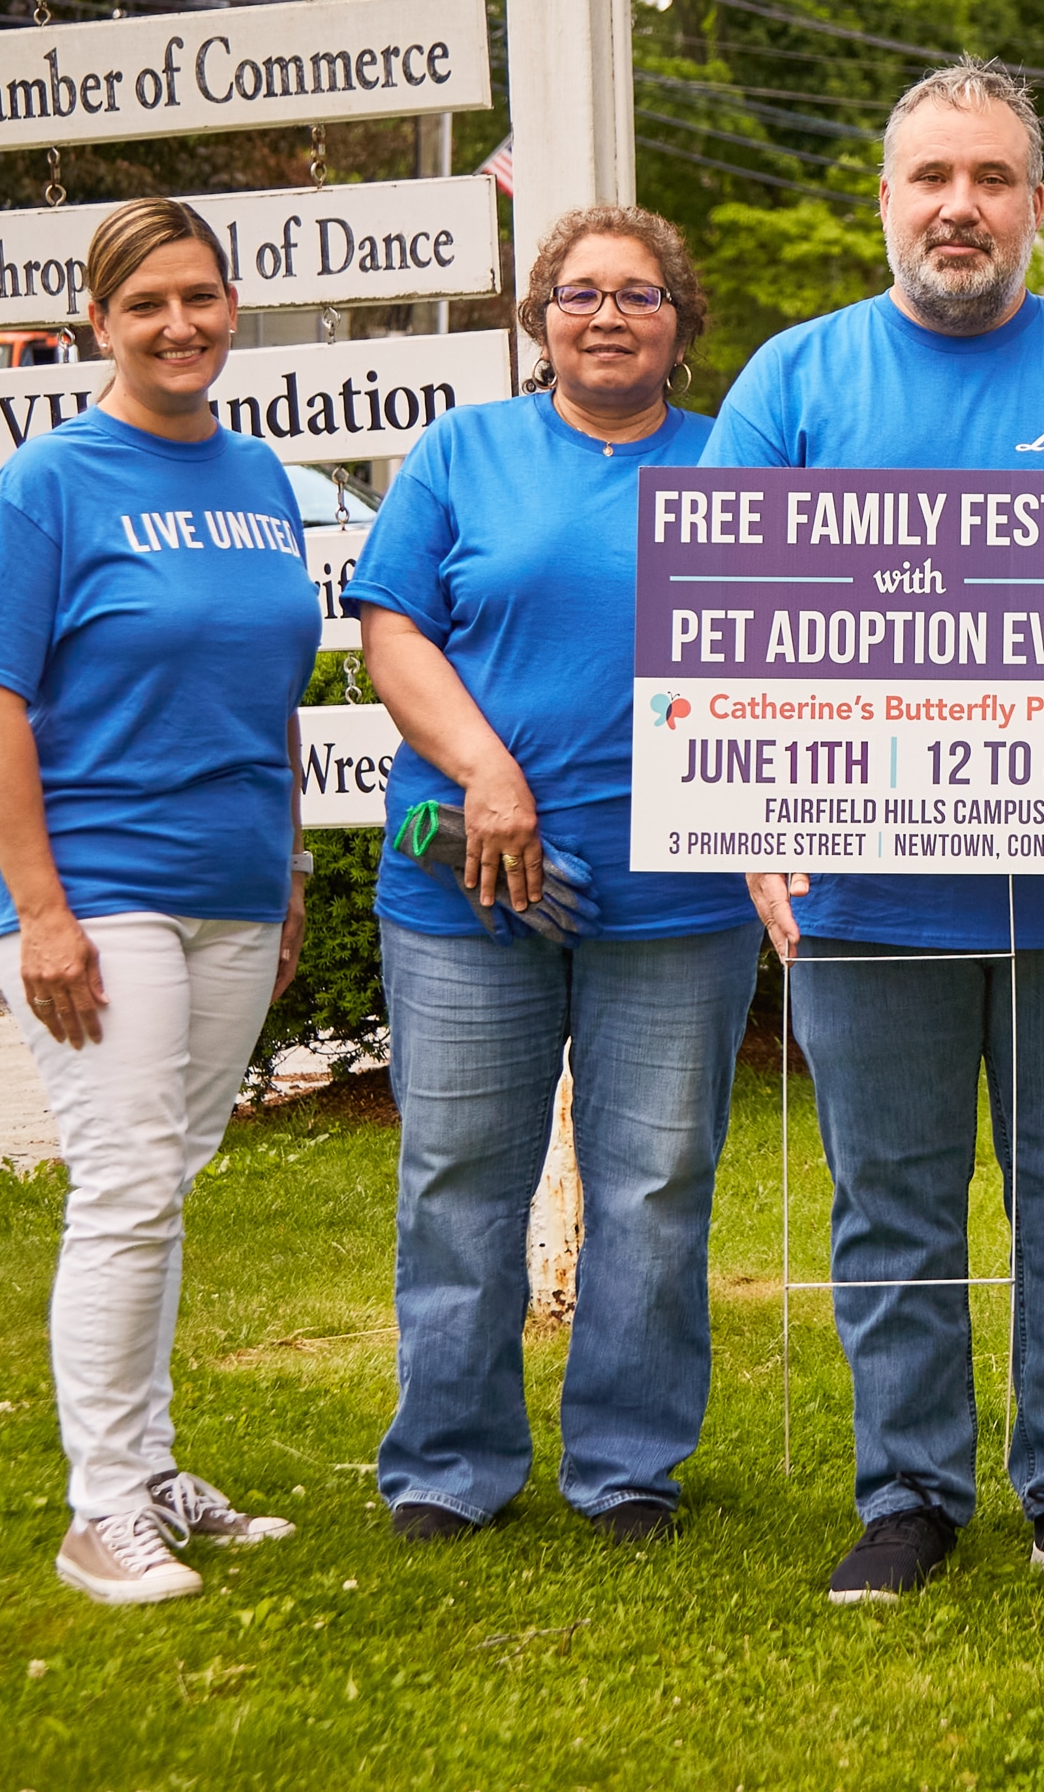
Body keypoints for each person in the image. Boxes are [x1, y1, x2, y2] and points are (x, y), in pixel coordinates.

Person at [705, 60, 1044, 1603]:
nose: (961, 206)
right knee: (893, 1198)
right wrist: (752, 824)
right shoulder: (796, 382)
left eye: (991, 179)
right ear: (884, 200)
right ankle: (911, 1492)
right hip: (866, 883)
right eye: (932, 178)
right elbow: (721, 625)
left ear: (1035, 206)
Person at [354, 207, 762, 1546]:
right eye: (579, 292)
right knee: (463, 1170)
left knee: (653, 1181)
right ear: (539, 321)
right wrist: (486, 770)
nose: (607, 314)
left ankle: (629, 1465)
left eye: (639, 294)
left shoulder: (734, 465)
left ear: (681, 328)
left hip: (679, 894)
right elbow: (394, 629)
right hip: (469, 881)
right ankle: (447, 1465)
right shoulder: (463, 452)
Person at [0, 197, 318, 1604]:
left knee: (166, 1178)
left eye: (203, 297)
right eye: (148, 302)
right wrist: (37, 907)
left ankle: (149, 1465)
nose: (180, 325)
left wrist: (288, 875)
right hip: (96, 889)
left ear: (232, 308)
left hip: (231, 885)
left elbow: (272, 694)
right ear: (101, 321)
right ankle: (99, 1507)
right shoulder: (50, 481)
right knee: (126, 1184)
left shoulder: (261, 474)